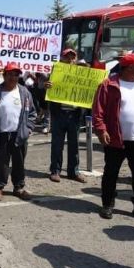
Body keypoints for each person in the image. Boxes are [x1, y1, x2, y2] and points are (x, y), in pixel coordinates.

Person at [92, 53, 134, 224]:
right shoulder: (108, 85)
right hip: (116, 139)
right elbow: (98, 111)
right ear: (130, 67)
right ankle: (108, 204)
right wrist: (101, 130)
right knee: (111, 173)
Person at [0, 62, 36, 202]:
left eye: (15, 75)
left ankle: (18, 187)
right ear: (4, 75)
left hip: (19, 134)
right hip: (1, 134)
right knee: (0, 162)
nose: (12, 77)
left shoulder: (24, 92)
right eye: (9, 74)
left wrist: (28, 129)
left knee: (19, 162)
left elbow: (32, 113)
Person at [46, 48, 86, 183]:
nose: (70, 59)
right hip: (59, 114)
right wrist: (47, 85)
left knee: (74, 145)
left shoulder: (81, 73)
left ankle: (73, 172)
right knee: (57, 144)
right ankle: (55, 171)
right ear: (62, 58)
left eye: (72, 57)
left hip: (74, 115)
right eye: (67, 57)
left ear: (75, 59)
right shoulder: (55, 72)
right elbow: (44, 90)